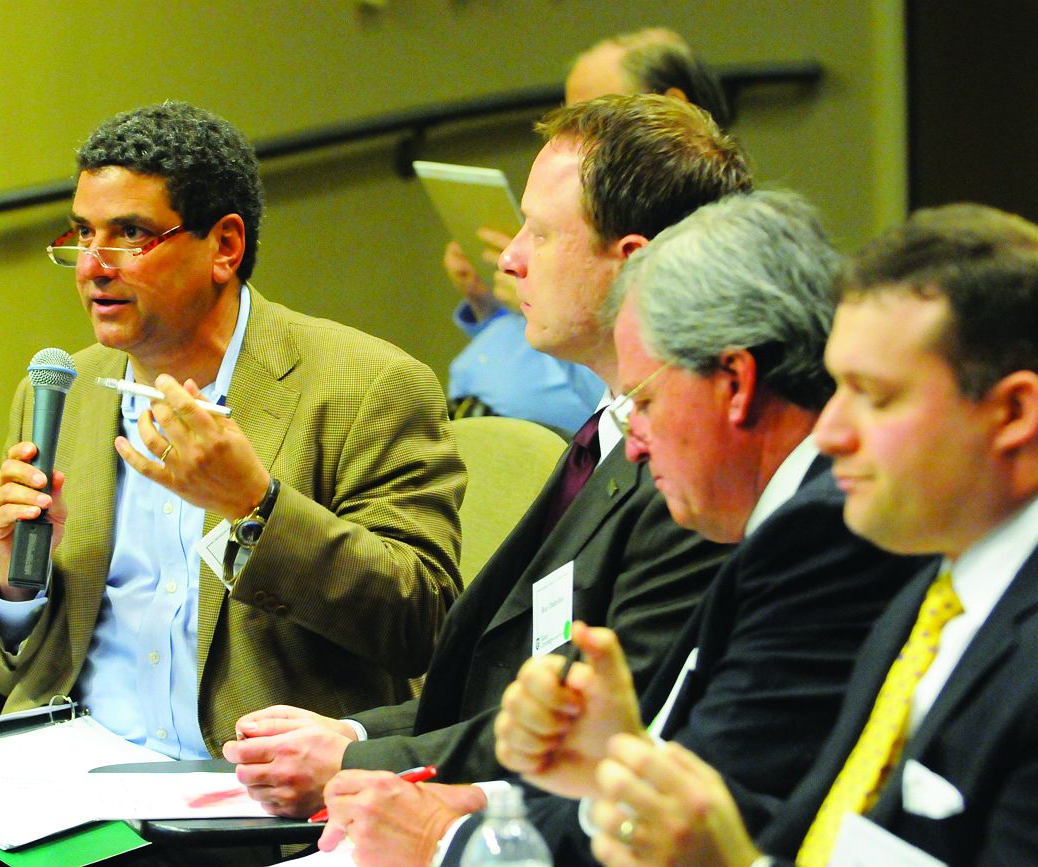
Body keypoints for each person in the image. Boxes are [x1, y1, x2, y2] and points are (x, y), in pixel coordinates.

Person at [0, 101, 464, 866]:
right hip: (65, 770)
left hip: (231, 795)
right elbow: (1, 663)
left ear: (224, 245)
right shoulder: (62, 390)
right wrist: (12, 590)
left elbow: (423, 620)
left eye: (129, 234)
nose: (93, 265)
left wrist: (254, 509)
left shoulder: (365, 386)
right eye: (82, 234)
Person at [224, 93, 747, 832]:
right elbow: (488, 685)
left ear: (630, 261)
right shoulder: (607, 425)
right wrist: (357, 735)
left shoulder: (690, 476)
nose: (508, 259)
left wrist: (353, 765)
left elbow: (582, 729)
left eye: (538, 232)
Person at [456, 191, 929, 866]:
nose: (637, 444)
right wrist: (600, 767)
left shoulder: (821, 536)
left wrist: (449, 840)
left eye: (642, 401)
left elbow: (725, 812)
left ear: (734, 381)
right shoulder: (772, 523)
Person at [577, 203, 1038, 867]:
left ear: (1011, 412)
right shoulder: (927, 600)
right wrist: (610, 778)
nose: (829, 431)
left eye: (874, 396)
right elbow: (818, 839)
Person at [445, 28, 728, 431]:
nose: (578, 128)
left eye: (599, 108)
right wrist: (488, 305)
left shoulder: (711, 243)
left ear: (667, 105)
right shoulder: (568, 197)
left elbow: (616, 371)